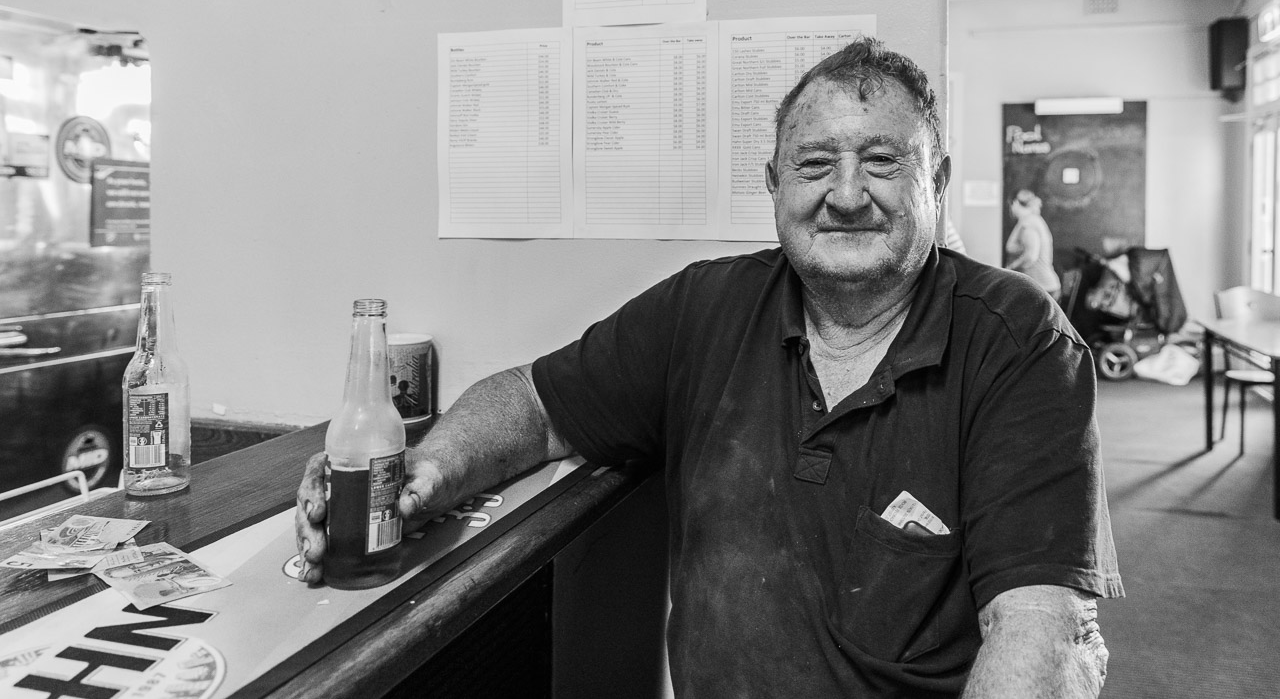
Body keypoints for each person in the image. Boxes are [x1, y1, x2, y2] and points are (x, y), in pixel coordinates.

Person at [296, 37, 1121, 698]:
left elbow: (1040, 633)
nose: (844, 194)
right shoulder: (704, 309)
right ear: (772, 185)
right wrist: (417, 474)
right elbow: (534, 401)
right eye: (813, 164)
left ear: (935, 183)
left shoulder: (1019, 343)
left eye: (881, 162)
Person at [1005, 189, 1061, 300]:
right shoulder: (1029, 221)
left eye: (1010, 205)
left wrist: (1010, 269)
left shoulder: (1029, 223)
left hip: (1042, 288)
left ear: (1015, 203)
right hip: (1039, 287)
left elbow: (1031, 256)